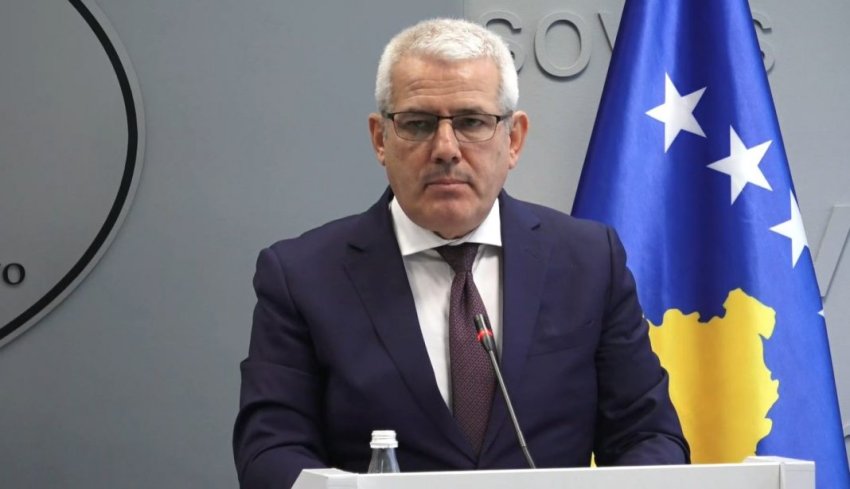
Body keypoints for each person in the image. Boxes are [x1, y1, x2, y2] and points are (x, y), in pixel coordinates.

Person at [233, 18, 688, 489]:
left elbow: (647, 434)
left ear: (513, 139)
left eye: (472, 122)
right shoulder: (303, 276)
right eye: (418, 123)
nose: (446, 149)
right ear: (380, 139)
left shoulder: (589, 261)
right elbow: (271, 450)